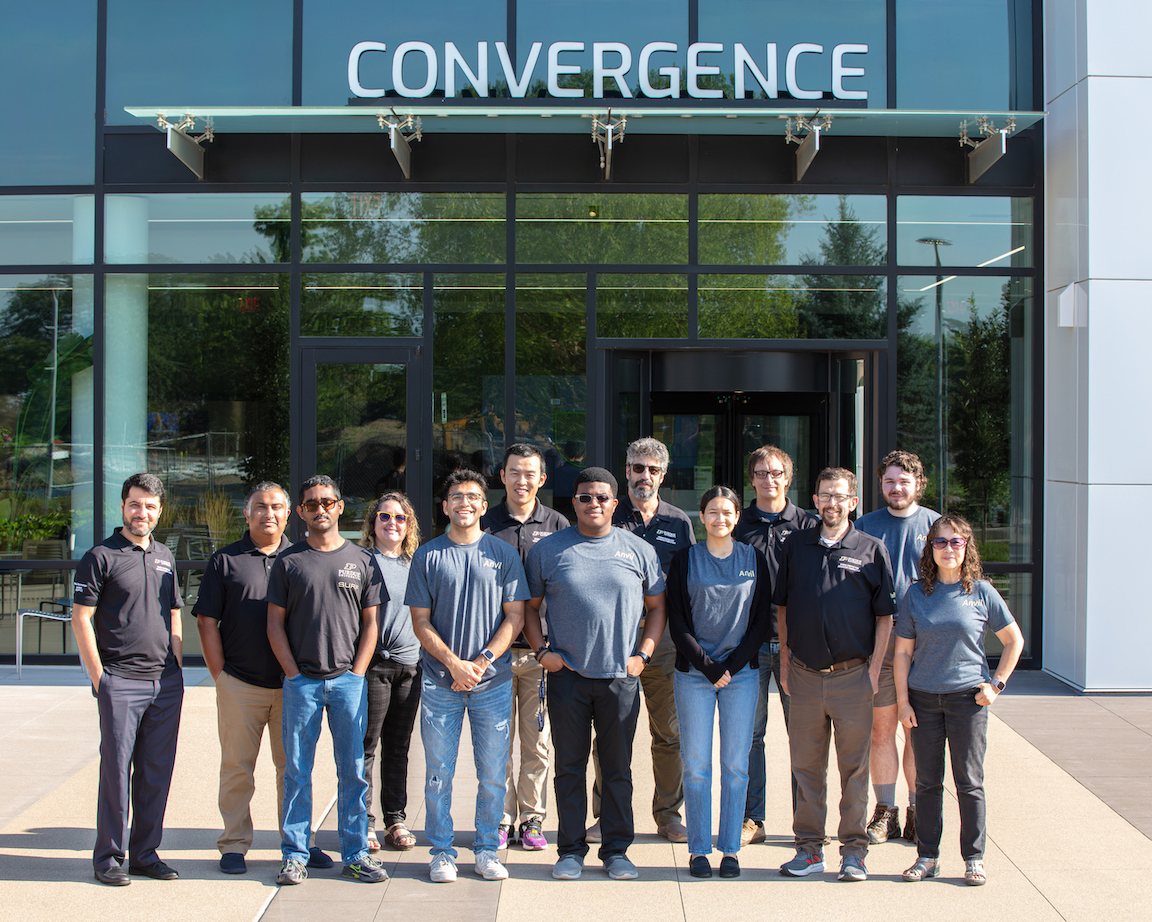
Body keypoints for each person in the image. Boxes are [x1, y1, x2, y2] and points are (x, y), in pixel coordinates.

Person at [523, 467, 665, 882]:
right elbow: (529, 609)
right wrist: (542, 651)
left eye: (602, 497)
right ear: (575, 503)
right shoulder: (549, 550)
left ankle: (617, 850)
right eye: (585, 497)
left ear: (614, 503)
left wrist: (643, 655)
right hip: (568, 675)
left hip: (620, 677)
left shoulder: (638, 550)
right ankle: (569, 850)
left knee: (617, 768)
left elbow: (657, 608)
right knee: (569, 767)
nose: (594, 504)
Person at [195, 481, 332, 874]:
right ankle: (234, 844)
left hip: (296, 685)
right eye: (260, 506)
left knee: (294, 768)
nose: (268, 513)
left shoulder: (305, 556)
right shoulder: (226, 560)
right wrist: (220, 676)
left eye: (276, 507)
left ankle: (299, 842)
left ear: (290, 513)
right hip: (241, 683)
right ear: (247, 512)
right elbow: (207, 622)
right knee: (238, 767)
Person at [406, 470, 528, 884]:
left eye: (473, 496)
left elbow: (516, 616)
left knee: (493, 773)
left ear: (482, 504)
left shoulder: (503, 553)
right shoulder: (428, 555)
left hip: (492, 684)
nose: (465, 503)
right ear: (445, 506)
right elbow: (420, 621)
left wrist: (481, 661)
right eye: (456, 496)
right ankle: (441, 852)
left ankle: (486, 849)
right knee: (439, 773)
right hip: (441, 684)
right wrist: (454, 665)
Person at [775, 467, 896, 882]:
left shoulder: (871, 549)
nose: (831, 502)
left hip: (853, 677)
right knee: (806, 768)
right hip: (805, 677)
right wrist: (786, 662)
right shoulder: (796, 546)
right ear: (816, 498)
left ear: (853, 502)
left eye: (840, 496)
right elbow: (785, 607)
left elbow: (885, 618)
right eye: (825, 494)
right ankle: (809, 850)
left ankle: (854, 853)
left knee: (854, 770)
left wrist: (875, 670)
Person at [266, 474, 387, 886]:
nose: (320, 509)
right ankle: (295, 855)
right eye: (312, 504)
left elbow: (372, 624)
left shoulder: (363, 560)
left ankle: (354, 854)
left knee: (353, 771)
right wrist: (293, 674)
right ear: (301, 512)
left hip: (348, 684)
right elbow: (274, 625)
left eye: (327, 502)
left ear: (339, 507)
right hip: (302, 684)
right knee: (298, 771)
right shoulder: (288, 561)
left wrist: (356, 673)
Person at [895, 515, 1024, 886]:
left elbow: (1015, 640)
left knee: (969, 781)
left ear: (966, 547)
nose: (948, 548)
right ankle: (927, 856)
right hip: (923, 700)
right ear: (930, 548)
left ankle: (973, 858)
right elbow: (903, 653)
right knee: (928, 783)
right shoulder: (916, 594)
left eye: (955, 542)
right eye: (940, 542)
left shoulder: (982, 592)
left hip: (968, 700)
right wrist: (903, 702)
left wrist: (995, 685)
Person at [72, 473, 184, 886]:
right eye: (136, 504)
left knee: (156, 772)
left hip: (165, 683)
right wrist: (99, 677)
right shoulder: (100, 555)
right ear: (123, 506)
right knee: (117, 772)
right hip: (120, 680)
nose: (143, 512)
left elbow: (173, 609)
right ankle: (109, 858)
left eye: (151, 506)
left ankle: (145, 853)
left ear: (160, 510)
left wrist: (176, 659)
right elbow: (81, 617)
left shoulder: (165, 555)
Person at [667, 486, 770, 880]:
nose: (720, 519)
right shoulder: (686, 560)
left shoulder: (753, 559)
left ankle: (729, 850)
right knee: (695, 766)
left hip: (741, 676)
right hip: (694, 675)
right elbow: (677, 622)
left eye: (727, 512)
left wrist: (732, 665)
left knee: (735, 765)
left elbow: (761, 620)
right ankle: (698, 850)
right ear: (702, 516)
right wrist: (710, 667)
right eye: (712, 512)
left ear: (737, 516)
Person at [601, 436, 694, 844]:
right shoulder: (607, 515)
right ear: (627, 471)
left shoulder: (679, 522)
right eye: (638, 468)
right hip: (612, 642)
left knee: (668, 734)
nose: (644, 476)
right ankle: (606, 815)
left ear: (663, 475)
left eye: (653, 470)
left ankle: (669, 814)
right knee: (610, 732)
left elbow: (690, 586)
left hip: (665, 644)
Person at [481, 444, 569, 851]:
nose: (522, 480)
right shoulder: (484, 523)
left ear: (542, 479)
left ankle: (532, 820)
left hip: (538, 653)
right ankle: (499, 820)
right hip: (493, 654)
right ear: (502, 476)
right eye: (514, 472)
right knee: (496, 741)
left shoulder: (558, 524)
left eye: (530, 473)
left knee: (536, 741)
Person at [732, 444, 817, 845]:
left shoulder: (809, 525)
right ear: (752, 479)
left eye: (777, 473)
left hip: (796, 646)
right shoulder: (736, 524)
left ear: (789, 477)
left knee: (803, 734)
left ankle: (807, 822)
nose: (770, 480)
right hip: (748, 645)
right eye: (762, 473)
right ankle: (753, 819)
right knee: (751, 737)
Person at [856, 450, 940, 845]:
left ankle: (915, 810)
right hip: (882, 646)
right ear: (881, 485)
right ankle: (884, 812)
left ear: (918, 484)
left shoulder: (937, 525)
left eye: (903, 481)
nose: (896, 488)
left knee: (918, 732)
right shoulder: (866, 526)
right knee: (881, 731)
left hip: (926, 648)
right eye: (889, 481)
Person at [358, 491, 422, 853]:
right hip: (372, 667)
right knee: (366, 746)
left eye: (400, 518)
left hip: (409, 666)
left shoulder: (417, 563)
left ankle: (394, 820)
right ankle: (363, 822)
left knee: (398, 747)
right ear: (373, 522)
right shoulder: (361, 560)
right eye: (385, 516)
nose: (392, 523)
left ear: (409, 524)